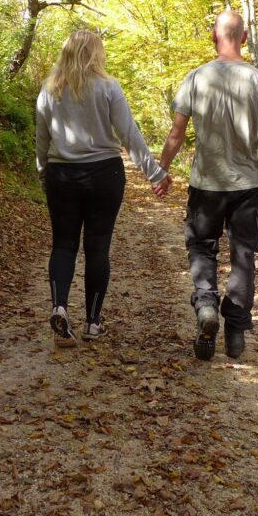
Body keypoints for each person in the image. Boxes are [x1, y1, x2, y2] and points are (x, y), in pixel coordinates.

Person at [36, 30, 171, 348]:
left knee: (63, 245)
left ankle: (59, 307)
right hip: (104, 176)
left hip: (61, 176)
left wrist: (44, 174)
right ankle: (93, 324)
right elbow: (129, 134)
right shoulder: (109, 87)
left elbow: (41, 139)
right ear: (96, 54)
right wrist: (154, 173)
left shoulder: (48, 90)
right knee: (97, 248)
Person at [159, 12, 258, 360]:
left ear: (214, 36)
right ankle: (236, 331)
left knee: (201, 248)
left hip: (206, 185)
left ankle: (207, 307)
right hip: (247, 185)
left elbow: (176, 133)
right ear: (243, 38)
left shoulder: (196, 78)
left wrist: (161, 170)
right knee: (243, 257)